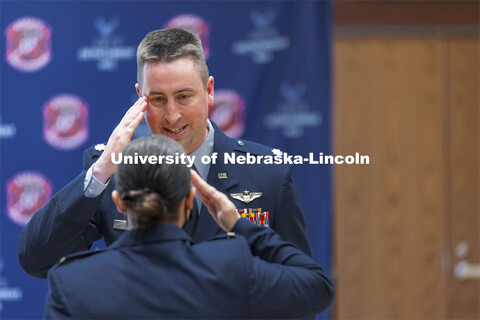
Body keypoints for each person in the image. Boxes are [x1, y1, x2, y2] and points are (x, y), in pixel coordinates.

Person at [19, 28, 312, 279]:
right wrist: (100, 173)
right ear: (139, 98)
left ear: (209, 91)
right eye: (157, 99)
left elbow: (301, 291)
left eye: (184, 97)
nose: (172, 116)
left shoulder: (268, 173)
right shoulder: (114, 173)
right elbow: (38, 260)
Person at [43, 135, 334, 319]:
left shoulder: (73, 281)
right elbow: (317, 287)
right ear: (189, 200)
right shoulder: (230, 267)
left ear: (119, 202)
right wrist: (240, 225)